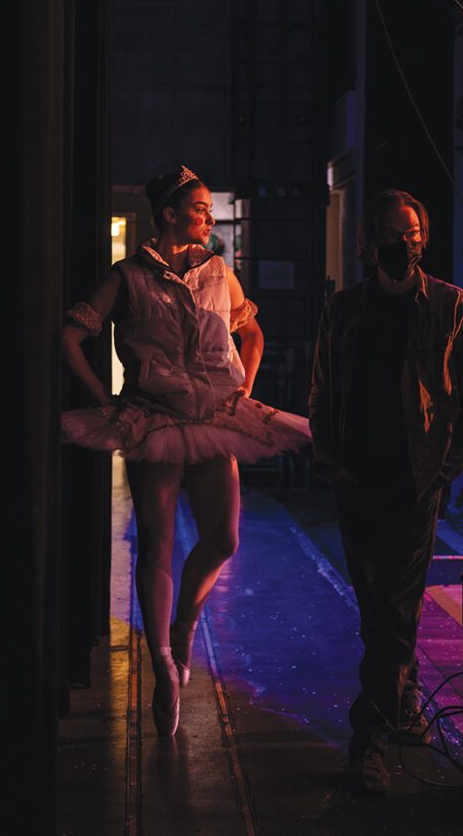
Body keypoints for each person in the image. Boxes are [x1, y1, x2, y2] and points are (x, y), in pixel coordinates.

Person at [62, 166, 310, 737]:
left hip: (213, 417)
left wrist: (241, 392)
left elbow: (252, 334)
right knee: (158, 547)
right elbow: (72, 335)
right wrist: (104, 398)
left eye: (208, 209)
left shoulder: (218, 271)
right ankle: (164, 669)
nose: (209, 217)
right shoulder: (128, 276)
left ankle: (184, 628)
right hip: (154, 417)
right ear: (169, 214)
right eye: (199, 208)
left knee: (224, 537)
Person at [308, 189, 463, 793]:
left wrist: (444, 472)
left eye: (412, 233)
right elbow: (320, 392)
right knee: (378, 607)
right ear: (369, 244)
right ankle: (407, 697)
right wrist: (331, 459)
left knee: (392, 608)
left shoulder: (452, 307)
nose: (403, 243)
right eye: (392, 234)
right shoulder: (343, 311)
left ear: (426, 238)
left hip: (415, 482)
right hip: (355, 479)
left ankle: (370, 739)